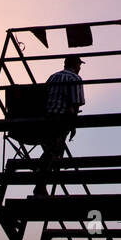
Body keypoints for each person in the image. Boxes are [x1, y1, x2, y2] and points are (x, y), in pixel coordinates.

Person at [34, 54, 86, 196]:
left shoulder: (53, 77)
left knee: (51, 150)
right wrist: (73, 125)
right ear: (75, 65)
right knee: (53, 151)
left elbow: (42, 95)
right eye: (79, 65)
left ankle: (41, 182)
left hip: (46, 118)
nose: (80, 68)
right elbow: (76, 103)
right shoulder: (75, 78)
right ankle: (40, 185)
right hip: (60, 118)